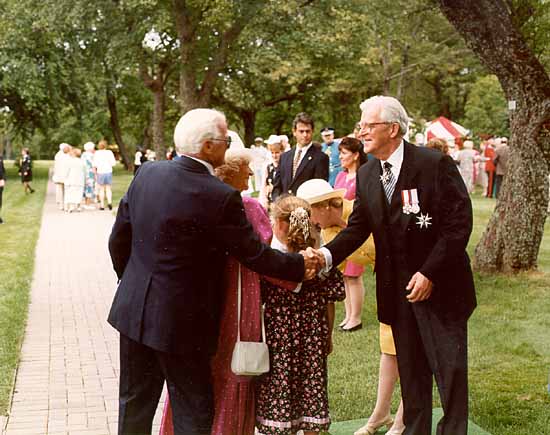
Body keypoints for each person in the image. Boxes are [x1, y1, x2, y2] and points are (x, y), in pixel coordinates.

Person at [108, 108, 318, 435]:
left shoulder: (147, 173)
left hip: (133, 312)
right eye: (226, 139)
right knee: (193, 411)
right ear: (208, 146)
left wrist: (133, 286)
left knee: (134, 407)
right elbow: (254, 255)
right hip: (184, 323)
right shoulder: (221, 196)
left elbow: (118, 240)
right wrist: (300, 265)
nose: (229, 144)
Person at [310, 96, 476, 435]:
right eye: (362, 126)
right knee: (413, 379)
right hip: (397, 294)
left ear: (393, 128)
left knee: (450, 374)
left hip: (442, 289)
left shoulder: (434, 165)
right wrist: (325, 257)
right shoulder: (369, 173)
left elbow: (458, 224)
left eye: (369, 126)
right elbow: (357, 228)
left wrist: (430, 272)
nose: (362, 132)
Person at [255, 195, 345, 435]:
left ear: (280, 224)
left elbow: (259, 298)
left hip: (279, 337)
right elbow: (330, 301)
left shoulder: (272, 260)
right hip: (313, 335)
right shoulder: (319, 258)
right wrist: (327, 336)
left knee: (280, 388)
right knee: (311, 388)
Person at [297, 176, 375, 333]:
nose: (310, 221)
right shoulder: (327, 233)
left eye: (309, 214)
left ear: (323, 206)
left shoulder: (360, 210)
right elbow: (334, 270)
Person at [332, 137, 369, 331]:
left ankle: (356, 317)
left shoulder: (363, 176)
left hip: (354, 230)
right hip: (339, 231)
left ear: (355, 155)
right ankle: (348, 315)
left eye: (344, 153)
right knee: (345, 275)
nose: (341, 157)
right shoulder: (340, 176)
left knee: (354, 275)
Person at [272, 113, 329, 200]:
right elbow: (277, 186)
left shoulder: (320, 158)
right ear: (294, 132)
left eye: (308, 131)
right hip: (284, 208)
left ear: (312, 131)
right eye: (301, 131)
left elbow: (319, 189)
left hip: (306, 208)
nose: (305, 135)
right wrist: (278, 202)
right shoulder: (284, 157)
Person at [259, 135, 284, 209]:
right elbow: (264, 185)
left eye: (277, 153)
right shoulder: (269, 167)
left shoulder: (284, 166)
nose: (274, 155)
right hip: (270, 200)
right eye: (272, 153)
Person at [93, 140, 116, 210]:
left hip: (100, 172)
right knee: (108, 188)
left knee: (101, 189)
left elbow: (94, 164)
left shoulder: (97, 153)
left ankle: (102, 205)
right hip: (108, 171)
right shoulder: (109, 152)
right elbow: (113, 163)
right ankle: (109, 202)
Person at [64, 148, 86, 212]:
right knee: (79, 193)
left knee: (70, 193)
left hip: (71, 180)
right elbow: (84, 172)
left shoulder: (70, 161)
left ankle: (71, 207)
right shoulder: (82, 161)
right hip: (80, 180)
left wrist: (65, 179)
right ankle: (78, 206)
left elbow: (66, 171)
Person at [52, 143, 72, 210]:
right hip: (62, 175)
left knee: (64, 190)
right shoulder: (67, 155)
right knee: (61, 190)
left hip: (63, 176)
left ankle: (64, 205)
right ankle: (62, 205)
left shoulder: (58, 155)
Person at [82, 142, 96, 208]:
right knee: (90, 188)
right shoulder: (91, 155)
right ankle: (88, 204)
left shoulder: (83, 155)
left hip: (84, 173)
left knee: (85, 187)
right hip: (90, 173)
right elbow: (93, 165)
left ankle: (86, 203)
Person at [0, 153, 5, 224]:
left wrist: (3, 179)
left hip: (0, 182)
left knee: (0, 201)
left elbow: (3, 170)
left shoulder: (0, 157)